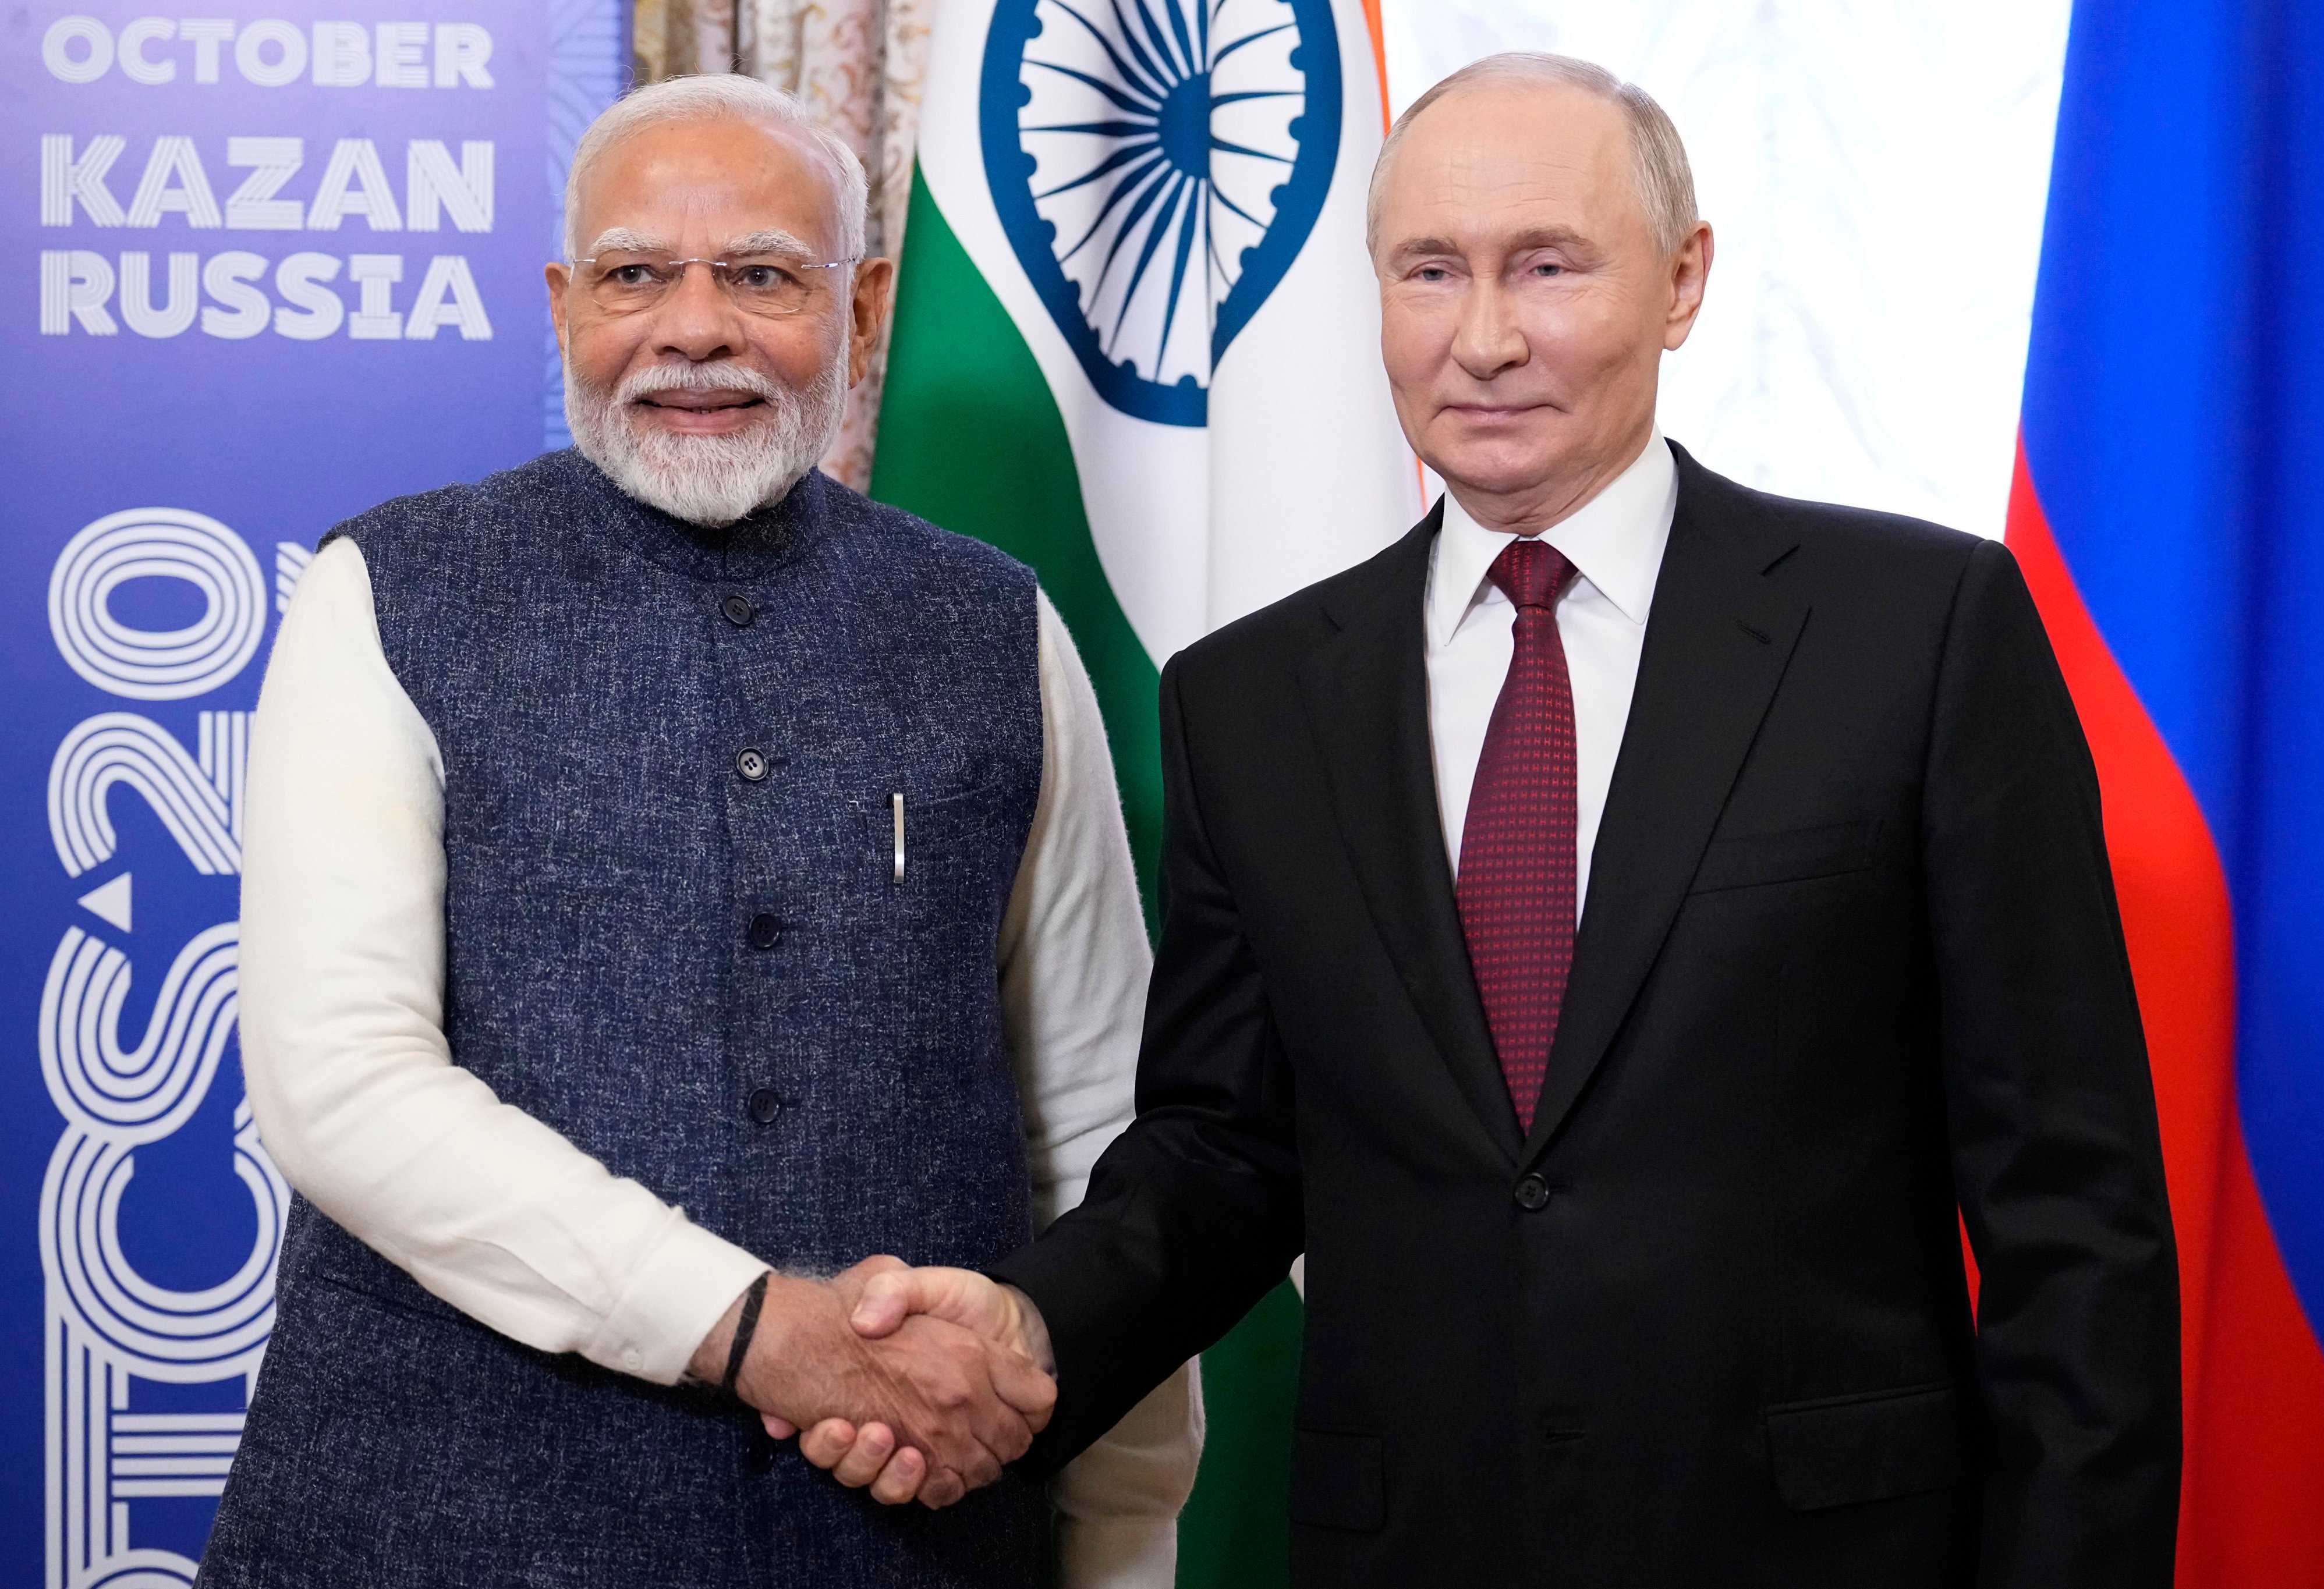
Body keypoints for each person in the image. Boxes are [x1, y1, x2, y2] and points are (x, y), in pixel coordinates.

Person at [813, 52, 2183, 1587]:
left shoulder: (1917, 632)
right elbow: (1225, 1151)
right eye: (1429, 271)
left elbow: (2075, 1215)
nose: (1483, 338)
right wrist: (1034, 1327)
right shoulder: (1250, 701)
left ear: (1681, 282)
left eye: (1546, 266)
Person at [197, 73, 1196, 1589]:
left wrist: (1126, 1537)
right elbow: (341, 1081)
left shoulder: (998, 625)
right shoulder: (388, 594)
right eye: (636, 275)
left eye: (761, 275)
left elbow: (1098, 1120)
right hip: (432, 1536)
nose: (694, 328)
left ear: (863, 315)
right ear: (562, 305)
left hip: (908, 1553)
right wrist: (761, 1331)